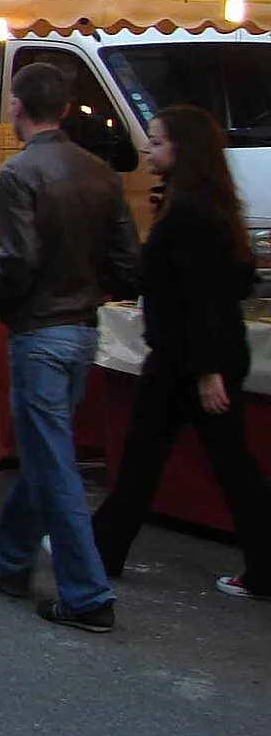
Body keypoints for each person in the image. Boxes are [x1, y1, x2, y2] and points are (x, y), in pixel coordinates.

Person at [0, 62, 139, 633]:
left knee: (55, 462)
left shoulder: (19, 173)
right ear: (65, 110)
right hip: (82, 326)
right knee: (48, 451)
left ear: (17, 106)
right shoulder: (101, 173)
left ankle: (87, 593)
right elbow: (126, 263)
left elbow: (19, 261)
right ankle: (9, 557)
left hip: (42, 329)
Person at [91, 105, 271, 599]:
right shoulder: (202, 205)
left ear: (182, 150)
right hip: (188, 357)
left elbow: (204, 295)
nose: (148, 148)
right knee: (160, 460)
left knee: (215, 465)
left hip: (190, 361)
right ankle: (104, 546)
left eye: (157, 141)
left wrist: (208, 370)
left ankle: (104, 548)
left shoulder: (192, 214)